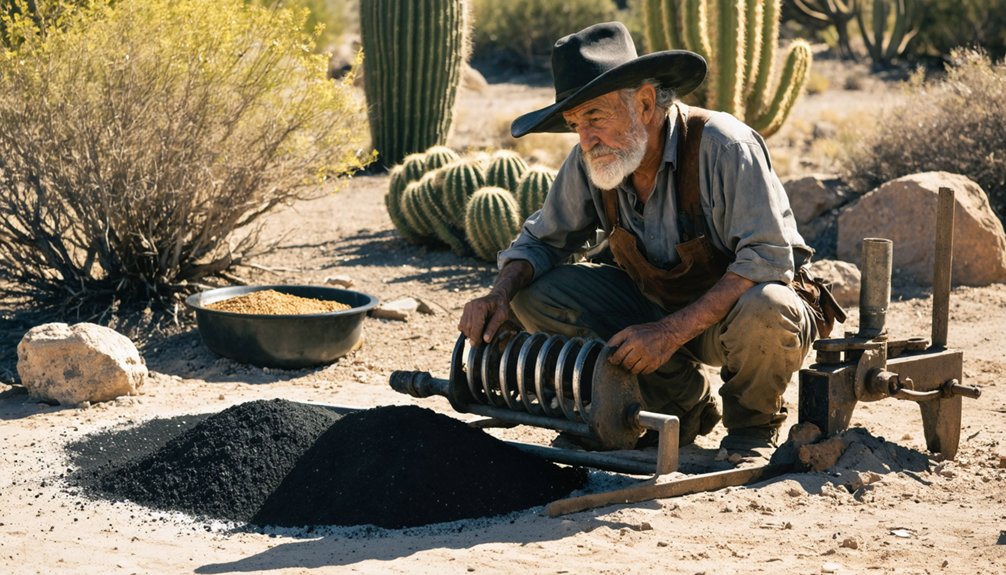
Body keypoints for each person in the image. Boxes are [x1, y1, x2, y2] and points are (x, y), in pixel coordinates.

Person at [458, 21, 842, 456]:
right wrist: (498, 295)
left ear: (643, 103)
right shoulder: (592, 159)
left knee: (770, 307)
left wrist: (669, 331)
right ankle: (682, 407)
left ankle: (751, 428)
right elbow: (541, 242)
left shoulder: (724, 146)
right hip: (654, 307)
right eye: (574, 123)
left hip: (739, 314)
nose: (585, 138)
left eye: (594, 117)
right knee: (534, 295)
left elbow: (766, 261)